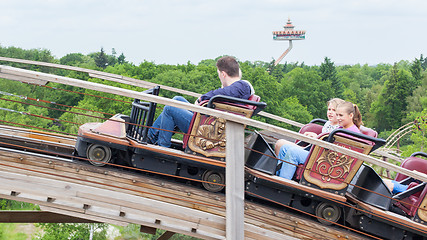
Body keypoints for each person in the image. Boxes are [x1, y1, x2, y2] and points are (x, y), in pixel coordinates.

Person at [147, 56, 254, 148]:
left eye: (219, 74)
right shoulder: (239, 88)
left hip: (208, 130)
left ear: (223, 74)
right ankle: (151, 136)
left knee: (170, 109)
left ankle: (163, 146)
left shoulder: (242, 86)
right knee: (177, 99)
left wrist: (201, 99)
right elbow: (224, 93)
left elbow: (219, 94)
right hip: (209, 121)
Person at [275, 100, 362, 180]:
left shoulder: (352, 133)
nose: (338, 118)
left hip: (327, 162)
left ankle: (283, 181)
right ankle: (278, 177)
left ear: (351, 115)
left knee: (292, 152)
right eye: (337, 115)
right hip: (321, 155)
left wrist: (318, 139)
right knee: (284, 148)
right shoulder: (340, 128)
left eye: (341, 115)